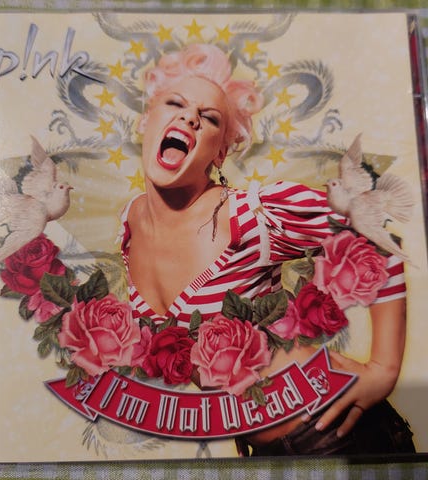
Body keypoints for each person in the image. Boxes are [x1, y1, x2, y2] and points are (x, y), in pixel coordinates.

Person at [119, 43, 415, 455]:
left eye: (209, 117)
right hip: (263, 453)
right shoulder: (129, 223)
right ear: (145, 121)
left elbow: (374, 236)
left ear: (220, 152)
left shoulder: (252, 214)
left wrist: (384, 368)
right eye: (175, 103)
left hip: (332, 433)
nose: (189, 117)